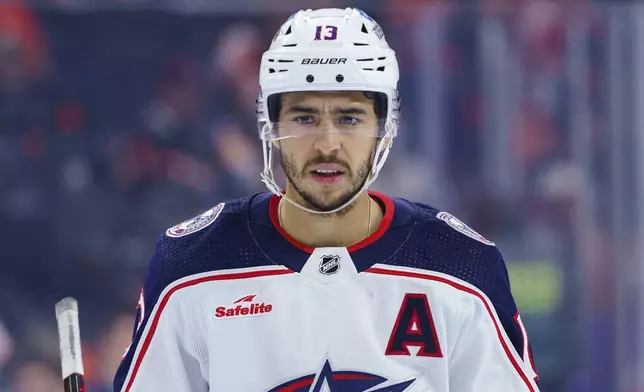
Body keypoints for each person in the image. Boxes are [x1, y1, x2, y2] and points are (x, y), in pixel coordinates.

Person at [113, 8, 540, 391]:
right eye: (304, 117)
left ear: (385, 128)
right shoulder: (191, 266)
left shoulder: (461, 267)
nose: (327, 144)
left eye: (349, 118)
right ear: (269, 124)